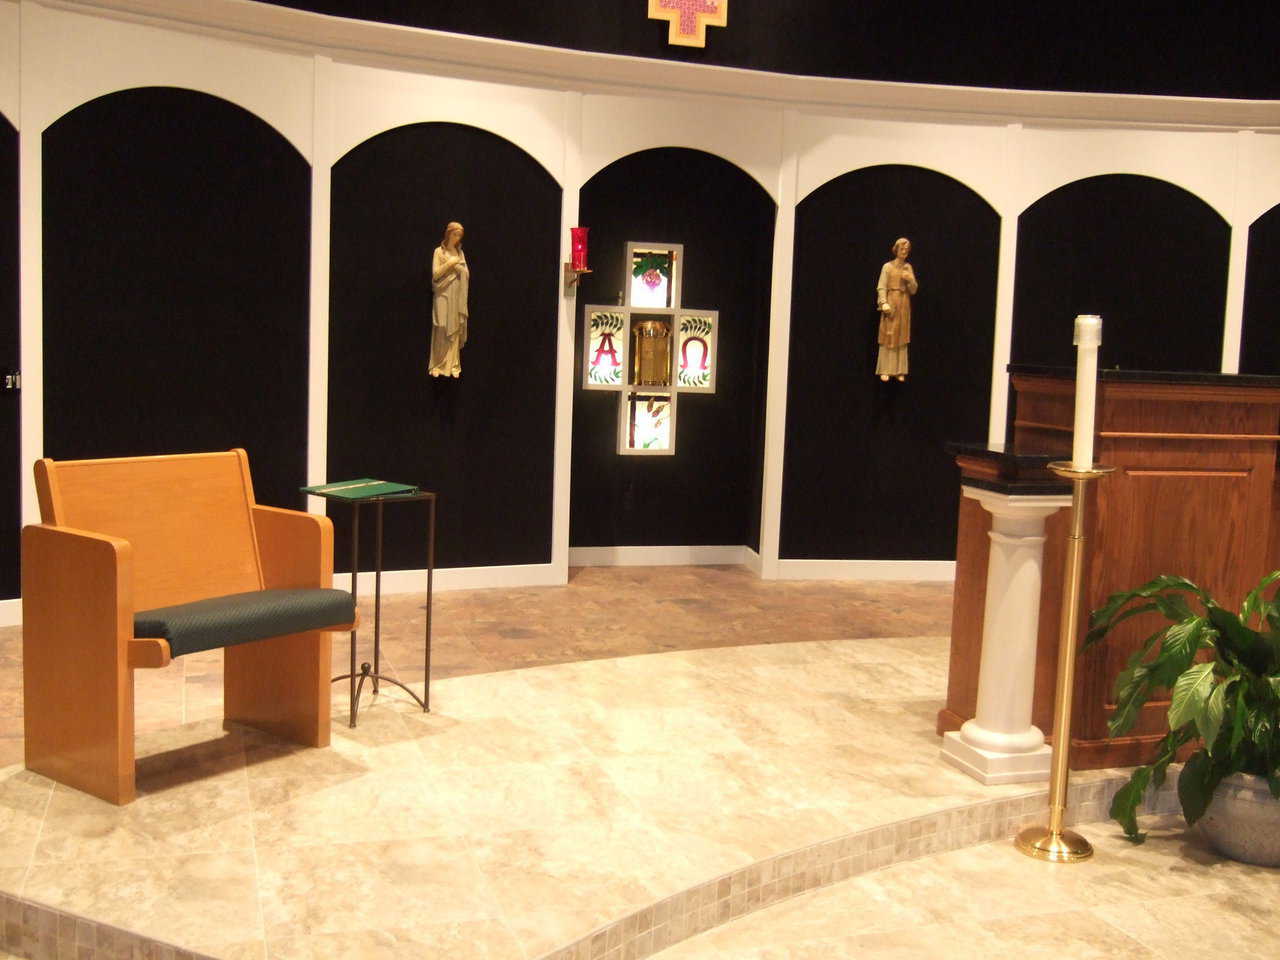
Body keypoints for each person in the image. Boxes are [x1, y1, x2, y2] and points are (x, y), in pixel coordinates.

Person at [430, 221, 469, 377]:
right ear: (448, 233)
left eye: (459, 235)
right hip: (442, 293)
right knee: (441, 326)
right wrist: (451, 263)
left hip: (455, 294)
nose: (457, 238)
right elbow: (436, 274)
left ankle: (452, 365)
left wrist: (460, 269)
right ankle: (437, 365)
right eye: (455, 234)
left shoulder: (460, 253)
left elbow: (466, 274)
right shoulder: (439, 252)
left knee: (454, 329)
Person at [876, 237, 917, 382]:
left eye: (906, 249)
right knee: (888, 335)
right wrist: (883, 302)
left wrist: (910, 280)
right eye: (902, 249)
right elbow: (881, 286)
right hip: (891, 302)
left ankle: (900, 370)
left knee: (901, 336)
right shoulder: (887, 267)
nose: (904, 251)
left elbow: (913, 290)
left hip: (904, 304)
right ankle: (885, 369)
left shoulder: (908, 268)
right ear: (896, 250)